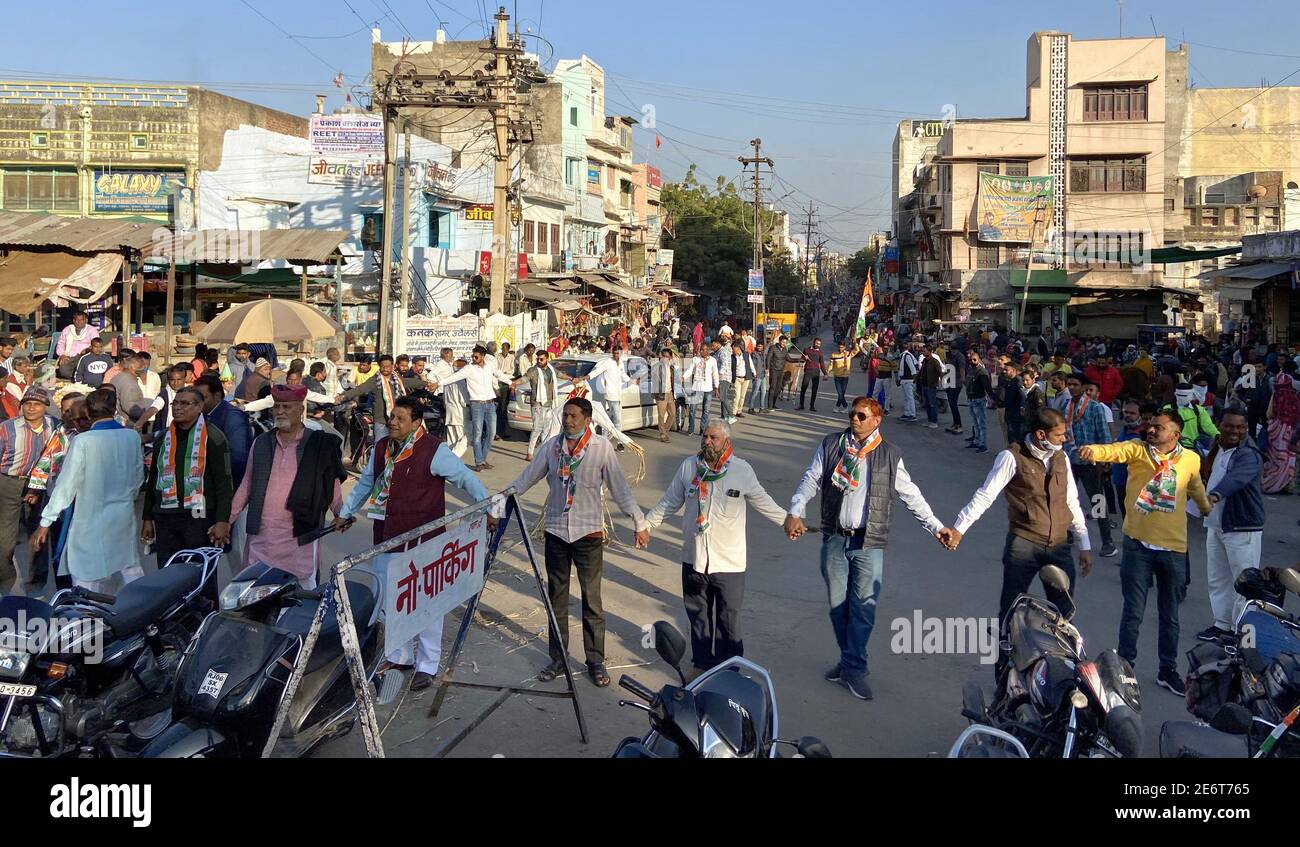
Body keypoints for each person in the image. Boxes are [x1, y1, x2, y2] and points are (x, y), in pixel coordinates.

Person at [784, 397, 954, 701]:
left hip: (868, 541)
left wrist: (935, 525)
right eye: (853, 414)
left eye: (862, 416)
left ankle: (854, 667)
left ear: (877, 420)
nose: (855, 419)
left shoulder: (889, 454)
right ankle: (849, 661)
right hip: (835, 538)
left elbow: (910, 494)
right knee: (839, 607)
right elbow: (811, 478)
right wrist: (796, 510)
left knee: (863, 609)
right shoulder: (832, 444)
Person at [493, 397, 649, 687]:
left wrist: (639, 522)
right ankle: (557, 658)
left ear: (588, 419)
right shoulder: (552, 446)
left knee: (592, 600)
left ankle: (595, 661)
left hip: (588, 534)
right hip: (556, 532)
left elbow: (620, 489)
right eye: (565, 415)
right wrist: (500, 501)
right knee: (557, 599)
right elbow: (526, 479)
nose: (568, 421)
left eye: (574, 416)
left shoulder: (601, 448)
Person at [337, 396, 488, 690]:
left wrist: (489, 507)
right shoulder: (381, 447)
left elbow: (466, 480)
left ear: (417, 423)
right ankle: (399, 656)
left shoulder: (434, 450)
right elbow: (367, 483)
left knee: (427, 602)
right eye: (392, 416)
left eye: (400, 418)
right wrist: (346, 512)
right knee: (390, 598)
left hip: (424, 541)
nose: (393, 422)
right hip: (386, 535)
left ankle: (428, 664)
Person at [1079, 411, 1211, 696]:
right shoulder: (1138, 451)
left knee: (1170, 615)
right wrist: (1095, 450)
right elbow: (1115, 450)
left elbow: (1195, 485)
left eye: (1159, 427)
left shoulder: (1190, 459)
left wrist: (1206, 508)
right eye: (1150, 425)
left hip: (1173, 549)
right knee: (1133, 612)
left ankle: (1168, 670)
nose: (1151, 430)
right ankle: (1124, 670)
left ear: (1175, 434)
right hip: (1137, 546)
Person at [643, 421, 787, 676]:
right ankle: (701, 664)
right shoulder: (690, 466)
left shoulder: (741, 471)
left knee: (728, 619)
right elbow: (670, 501)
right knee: (698, 615)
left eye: (714, 438)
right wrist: (646, 525)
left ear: (727, 442)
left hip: (729, 562)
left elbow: (763, 500)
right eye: (705, 436)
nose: (707, 441)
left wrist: (788, 521)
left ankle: (730, 669)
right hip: (694, 556)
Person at [945, 408, 1093, 624]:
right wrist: (959, 529)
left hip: (1059, 545)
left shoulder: (1061, 458)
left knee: (1063, 613)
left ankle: (1062, 658)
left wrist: (1084, 544)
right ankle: (1004, 656)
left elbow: (1071, 501)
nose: (1065, 438)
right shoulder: (1011, 457)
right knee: (1011, 608)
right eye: (1059, 435)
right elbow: (986, 495)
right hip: (1024, 544)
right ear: (1041, 434)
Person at [228, 385, 346, 588]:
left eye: (287, 407)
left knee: (299, 600)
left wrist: (341, 513)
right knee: (257, 594)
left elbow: (330, 484)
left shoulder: (316, 443)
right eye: (277, 406)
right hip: (262, 536)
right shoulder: (262, 442)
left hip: (301, 536)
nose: (280, 411)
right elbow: (247, 484)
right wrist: (226, 520)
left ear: (301, 409)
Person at [31, 388, 144, 592]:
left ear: (88, 414)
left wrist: (46, 521)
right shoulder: (132, 437)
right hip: (122, 517)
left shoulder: (83, 441)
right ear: (114, 409)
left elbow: (66, 486)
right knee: (129, 571)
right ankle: (143, 617)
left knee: (86, 580)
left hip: (89, 520)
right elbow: (138, 480)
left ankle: (87, 622)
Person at [140, 386, 233, 601]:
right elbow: (153, 478)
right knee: (168, 574)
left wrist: (222, 521)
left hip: (199, 518)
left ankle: (203, 622)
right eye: (176, 403)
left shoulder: (214, 437)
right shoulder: (163, 437)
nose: (179, 408)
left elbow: (224, 482)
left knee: (200, 573)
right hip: (166, 518)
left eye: (186, 403)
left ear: (200, 407)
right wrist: (147, 517)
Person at [1197, 409, 1265, 642]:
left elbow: (1235, 479)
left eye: (1240, 427)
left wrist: (1214, 496)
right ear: (1219, 425)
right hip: (1216, 525)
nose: (1234, 431)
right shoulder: (1217, 446)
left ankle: (1242, 632)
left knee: (1245, 582)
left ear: (1246, 428)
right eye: (1229, 426)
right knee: (1218, 578)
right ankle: (1222, 625)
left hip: (1242, 526)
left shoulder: (1249, 454)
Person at [0, 387, 57, 590]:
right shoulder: (7, 428)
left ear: (46, 407)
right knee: (5, 537)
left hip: (40, 484)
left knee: (38, 532)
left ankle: (37, 581)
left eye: (37, 404)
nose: (32, 408)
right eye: (28, 404)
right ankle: (6, 580)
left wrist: (40, 486)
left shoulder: (54, 426)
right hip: (9, 482)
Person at [428, 345, 514, 471]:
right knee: (477, 434)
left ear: (483, 356)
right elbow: (452, 378)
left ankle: (482, 459)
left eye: (476, 356)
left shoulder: (490, 366)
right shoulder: (469, 369)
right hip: (476, 405)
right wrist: (437, 384)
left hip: (490, 404)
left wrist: (511, 383)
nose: (473, 358)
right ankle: (479, 462)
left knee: (491, 433)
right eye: (472, 356)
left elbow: (499, 375)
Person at [1061, 374, 1117, 558]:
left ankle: (1107, 541)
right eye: (1069, 384)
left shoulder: (1095, 408)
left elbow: (1104, 435)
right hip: (1070, 459)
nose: (1071, 387)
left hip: (1091, 462)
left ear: (1084, 387)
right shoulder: (1066, 406)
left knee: (1097, 502)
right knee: (1066, 498)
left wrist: (1105, 460)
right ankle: (1067, 534)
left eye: (1075, 384)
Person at [335, 354, 422, 445]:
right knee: (380, 447)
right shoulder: (375, 380)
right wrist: (343, 396)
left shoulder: (396, 379)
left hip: (396, 420)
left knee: (398, 447)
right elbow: (360, 389)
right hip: (381, 421)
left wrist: (425, 383)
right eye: (382, 367)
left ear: (392, 366)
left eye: (387, 367)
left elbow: (409, 382)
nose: (385, 369)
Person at [515, 349, 560, 460]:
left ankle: (543, 452)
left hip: (549, 403)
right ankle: (530, 453)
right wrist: (515, 383)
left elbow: (560, 374)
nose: (539, 361)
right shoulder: (533, 370)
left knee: (546, 429)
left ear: (547, 359)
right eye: (538, 359)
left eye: (541, 359)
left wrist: (572, 379)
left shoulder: (551, 369)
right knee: (537, 429)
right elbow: (525, 378)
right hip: (537, 404)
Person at [1261, 369, 1300, 493]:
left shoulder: (1277, 394)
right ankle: (1288, 485)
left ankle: (1271, 483)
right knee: (1290, 458)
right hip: (1293, 430)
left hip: (1277, 430)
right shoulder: (1297, 395)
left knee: (1276, 459)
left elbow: (1269, 414)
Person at [683, 344, 718, 436]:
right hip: (696, 387)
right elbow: (690, 370)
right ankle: (691, 429)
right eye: (701, 350)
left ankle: (703, 429)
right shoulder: (695, 359)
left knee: (706, 410)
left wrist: (717, 387)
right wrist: (684, 377)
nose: (702, 351)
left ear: (708, 351)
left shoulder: (713, 361)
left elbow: (715, 374)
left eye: (705, 350)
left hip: (708, 388)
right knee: (692, 409)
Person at [441, 358, 470, 459]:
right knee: (466, 437)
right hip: (459, 413)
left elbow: (444, 398)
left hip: (449, 413)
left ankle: (449, 458)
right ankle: (453, 458)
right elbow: (463, 400)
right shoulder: (460, 380)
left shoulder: (448, 379)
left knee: (452, 440)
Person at [54, 311, 96, 380]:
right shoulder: (67, 329)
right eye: (77, 320)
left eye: (81, 320)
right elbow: (60, 344)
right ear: (74, 320)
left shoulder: (92, 330)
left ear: (86, 321)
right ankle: (76, 376)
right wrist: (62, 355)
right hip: (69, 357)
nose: (79, 322)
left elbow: (96, 344)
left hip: (85, 356)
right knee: (63, 370)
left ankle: (80, 376)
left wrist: (88, 349)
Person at [650, 347, 678, 443]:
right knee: (661, 415)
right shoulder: (657, 366)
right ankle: (662, 434)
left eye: (667, 357)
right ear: (660, 356)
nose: (665, 358)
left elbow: (677, 361)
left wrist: (673, 356)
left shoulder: (671, 366)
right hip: (661, 392)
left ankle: (665, 431)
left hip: (669, 392)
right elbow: (653, 375)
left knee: (673, 414)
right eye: (664, 356)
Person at [965, 351, 992, 453]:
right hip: (971, 399)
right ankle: (977, 441)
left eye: (974, 360)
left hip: (979, 400)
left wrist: (992, 398)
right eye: (971, 360)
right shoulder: (970, 370)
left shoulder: (982, 372)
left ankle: (983, 444)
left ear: (979, 360)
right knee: (975, 422)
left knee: (982, 423)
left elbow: (987, 387)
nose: (972, 361)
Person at [798, 338, 829, 412]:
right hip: (808, 371)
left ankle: (812, 406)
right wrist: (804, 358)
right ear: (813, 342)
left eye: (819, 344)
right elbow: (801, 360)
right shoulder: (806, 350)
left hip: (816, 373)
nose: (818, 345)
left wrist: (825, 374)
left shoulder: (820, 353)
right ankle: (801, 405)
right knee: (803, 388)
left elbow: (822, 364)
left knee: (814, 390)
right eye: (816, 343)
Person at [919, 343, 943, 429]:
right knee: (928, 404)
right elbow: (921, 371)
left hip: (931, 385)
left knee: (932, 404)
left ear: (930, 351)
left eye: (924, 351)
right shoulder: (925, 361)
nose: (923, 353)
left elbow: (940, 372)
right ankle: (930, 420)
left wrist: (942, 382)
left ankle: (934, 421)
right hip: (924, 384)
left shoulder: (934, 362)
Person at [764, 335, 790, 410]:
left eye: (785, 342)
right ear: (779, 341)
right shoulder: (773, 348)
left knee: (778, 389)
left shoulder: (785, 349)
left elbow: (789, 359)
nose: (783, 344)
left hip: (781, 371)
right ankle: (769, 406)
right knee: (772, 387)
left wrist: (801, 360)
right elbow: (768, 358)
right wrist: (767, 368)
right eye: (782, 342)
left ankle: (774, 404)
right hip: (774, 370)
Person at [829, 341, 853, 410]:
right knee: (840, 393)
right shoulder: (834, 354)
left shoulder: (848, 354)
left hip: (845, 377)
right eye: (839, 347)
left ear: (844, 347)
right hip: (837, 377)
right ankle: (846, 407)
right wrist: (827, 373)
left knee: (841, 394)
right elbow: (831, 365)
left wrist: (856, 343)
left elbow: (856, 350)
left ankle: (837, 407)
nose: (840, 348)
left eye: (842, 347)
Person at [748, 341, 769, 414]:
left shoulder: (763, 354)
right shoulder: (754, 354)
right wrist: (754, 374)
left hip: (763, 375)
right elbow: (753, 364)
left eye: (761, 346)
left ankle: (762, 408)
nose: (759, 347)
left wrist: (766, 369)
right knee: (755, 392)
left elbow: (765, 363)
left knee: (763, 392)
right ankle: (751, 408)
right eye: (758, 346)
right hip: (757, 375)